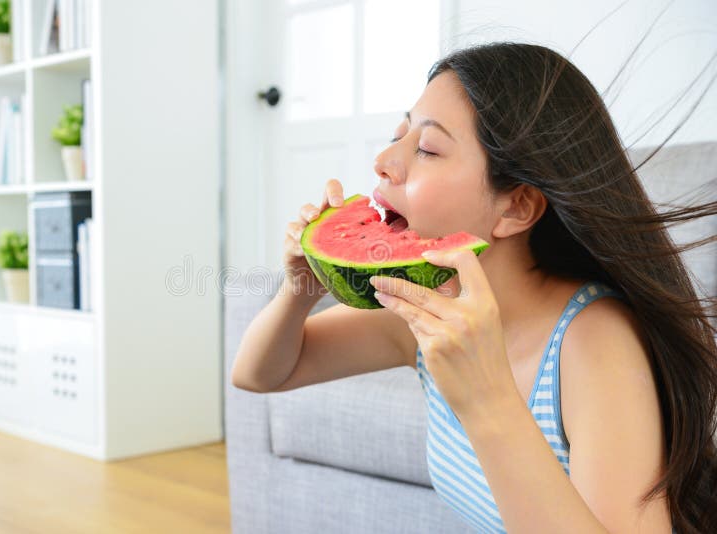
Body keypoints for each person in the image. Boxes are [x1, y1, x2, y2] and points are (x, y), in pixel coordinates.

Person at [231, 41, 717, 533]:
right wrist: (299, 292)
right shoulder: (421, 319)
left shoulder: (592, 340)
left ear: (516, 208)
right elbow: (259, 374)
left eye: (427, 148)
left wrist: (485, 397)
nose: (383, 160)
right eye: (399, 134)